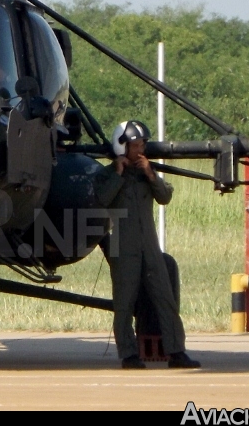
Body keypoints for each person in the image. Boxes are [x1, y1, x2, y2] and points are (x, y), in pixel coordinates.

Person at [95, 120, 201, 370]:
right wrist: (119, 174)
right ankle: (129, 354)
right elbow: (102, 199)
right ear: (122, 147)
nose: (140, 150)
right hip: (123, 246)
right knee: (125, 302)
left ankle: (176, 351)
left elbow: (164, 197)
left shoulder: (147, 174)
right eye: (135, 145)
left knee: (165, 298)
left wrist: (151, 175)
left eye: (142, 144)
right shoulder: (107, 175)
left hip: (149, 245)